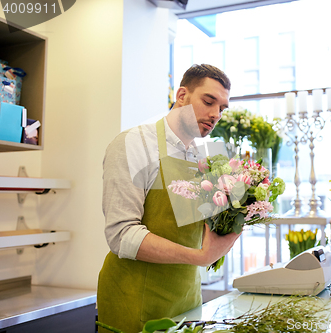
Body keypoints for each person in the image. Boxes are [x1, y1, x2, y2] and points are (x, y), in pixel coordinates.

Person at [97, 64, 241, 333]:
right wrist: (200, 256)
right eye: (208, 101)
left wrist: (239, 213)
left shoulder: (206, 158)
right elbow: (121, 234)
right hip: (134, 300)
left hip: (187, 299)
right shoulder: (133, 143)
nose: (215, 115)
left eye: (222, 108)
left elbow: (199, 230)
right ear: (182, 95)